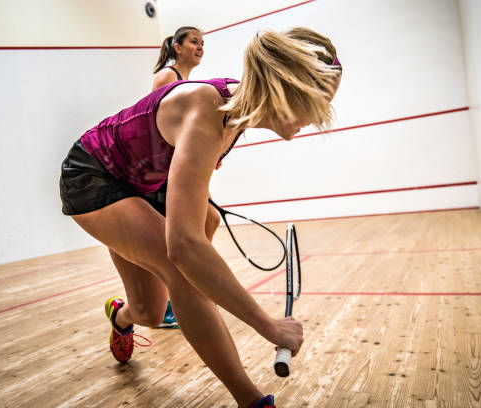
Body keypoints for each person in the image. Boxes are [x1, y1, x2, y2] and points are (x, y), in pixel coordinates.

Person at [59, 27, 342, 408]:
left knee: (149, 311)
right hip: (93, 174)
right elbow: (184, 247)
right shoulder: (207, 108)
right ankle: (251, 400)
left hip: (142, 184)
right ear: (286, 87)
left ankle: (121, 316)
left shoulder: (235, 118)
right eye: (318, 100)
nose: (320, 114)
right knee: (182, 269)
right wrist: (269, 326)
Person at [152, 26, 206, 329]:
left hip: (177, 167)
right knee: (170, 241)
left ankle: (190, 285)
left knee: (208, 220)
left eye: (202, 43)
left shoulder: (187, 81)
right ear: (177, 46)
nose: (199, 47)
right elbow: (156, 125)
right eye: (194, 42)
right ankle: (166, 304)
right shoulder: (167, 77)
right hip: (161, 171)